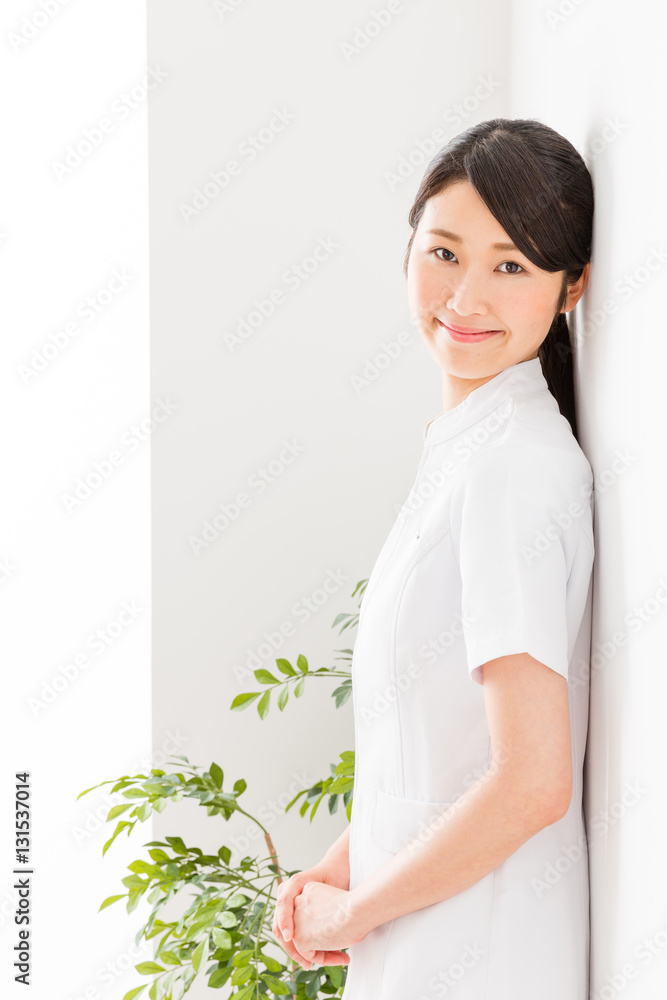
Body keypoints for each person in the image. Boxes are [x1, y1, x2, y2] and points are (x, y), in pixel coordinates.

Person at [272, 117, 595, 999]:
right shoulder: (467, 449)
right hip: (429, 941)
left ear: (571, 289)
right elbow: (430, 757)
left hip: (480, 953)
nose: (463, 298)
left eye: (511, 266)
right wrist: (337, 873)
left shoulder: (512, 471)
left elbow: (530, 783)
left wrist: (359, 910)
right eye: (444, 252)